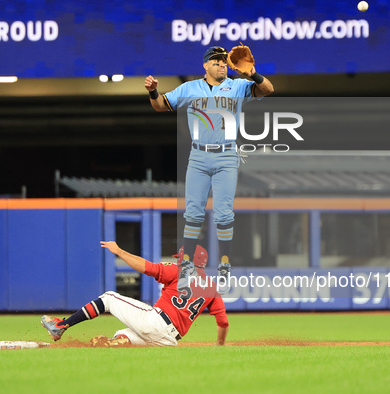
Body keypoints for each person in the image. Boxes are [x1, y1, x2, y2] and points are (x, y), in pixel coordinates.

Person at [144, 46, 274, 293]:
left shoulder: (237, 86)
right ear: (205, 65)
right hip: (198, 156)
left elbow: (268, 89)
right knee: (193, 214)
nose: (222, 65)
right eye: (216, 62)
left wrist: (254, 74)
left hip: (226, 155)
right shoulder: (190, 88)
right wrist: (153, 91)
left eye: (224, 62)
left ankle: (224, 265)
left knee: (224, 215)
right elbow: (161, 105)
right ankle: (186, 265)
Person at [41, 241, 228, 347]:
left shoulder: (181, 271)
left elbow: (148, 268)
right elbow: (223, 322)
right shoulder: (212, 288)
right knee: (122, 336)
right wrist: (220, 344)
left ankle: (61, 325)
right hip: (169, 341)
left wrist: (119, 251)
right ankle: (115, 343)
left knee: (109, 298)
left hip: (156, 322)